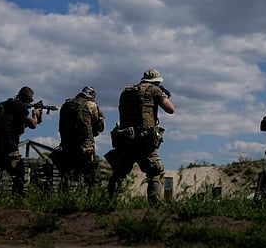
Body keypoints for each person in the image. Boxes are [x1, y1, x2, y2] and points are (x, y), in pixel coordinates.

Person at [104, 69, 175, 205]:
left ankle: (108, 203)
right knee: (156, 172)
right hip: (143, 141)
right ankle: (156, 207)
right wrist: (163, 94)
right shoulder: (154, 90)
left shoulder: (127, 91)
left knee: (119, 173)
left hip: (125, 138)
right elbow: (170, 109)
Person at [0, 87, 42, 194]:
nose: (31, 102)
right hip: (10, 146)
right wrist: (35, 114)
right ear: (27, 98)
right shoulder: (19, 106)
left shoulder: (0, 106)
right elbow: (33, 124)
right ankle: (18, 199)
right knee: (19, 173)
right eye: (31, 100)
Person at [54, 86, 105, 191]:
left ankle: (63, 199)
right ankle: (93, 200)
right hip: (85, 146)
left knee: (66, 175)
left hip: (67, 145)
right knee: (93, 175)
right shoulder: (90, 105)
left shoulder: (66, 105)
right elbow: (100, 127)